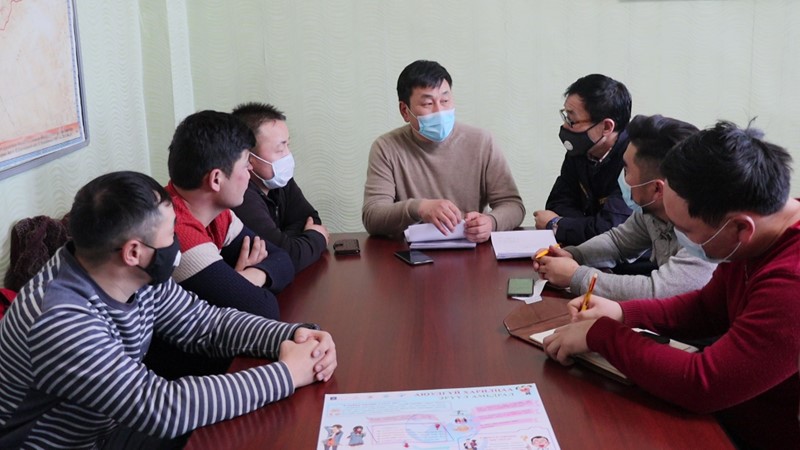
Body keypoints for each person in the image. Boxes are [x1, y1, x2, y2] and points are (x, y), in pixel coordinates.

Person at [0, 171, 337, 449]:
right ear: (134, 252)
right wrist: (288, 374)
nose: (177, 241)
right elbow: (161, 407)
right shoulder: (59, 319)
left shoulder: (135, 274)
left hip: (110, 427)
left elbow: (207, 325)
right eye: (170, 233)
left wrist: (294, 335)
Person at [542, 121, 800, 449]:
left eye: (687, 231)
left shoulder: (791, 282)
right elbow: (706, 308)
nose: (680, 239)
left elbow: (703, 384)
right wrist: (622, 313)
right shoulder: (756, 235)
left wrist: (602, 334)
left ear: (741, 229)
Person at [533, 115, 716, 300]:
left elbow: (656, 291)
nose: (622, 178)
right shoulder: (652, 211)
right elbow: (618, 242)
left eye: (627, 170)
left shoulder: (705, 234)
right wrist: (573, 255)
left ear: (657, 189)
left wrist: (575, 276)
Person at [362, 59, 524, 243]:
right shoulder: (386, 147)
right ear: (405, 111)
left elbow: (514, 206)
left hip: (471, 249)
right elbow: (372, 216)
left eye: (445, 101)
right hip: (408, 253)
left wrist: (491, 222)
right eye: (427, 103)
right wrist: (419, 208)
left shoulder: (482, 142)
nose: (440, 111)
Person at [166, 110, 294, 320]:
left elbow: (283, 260)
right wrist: (245, 283)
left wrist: (244, 279)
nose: (250, 171)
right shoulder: (175, 232)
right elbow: (264, 308)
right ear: (216, 179)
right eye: (245, 165)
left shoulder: (217, 214)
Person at [533, 74, 633, 246]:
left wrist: (557, 225)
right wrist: (588, 225)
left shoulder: (634, 160)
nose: (565, 126)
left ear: (607, 127)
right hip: (586, 253)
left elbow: (611, 231)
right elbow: (557, 203)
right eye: (565, 117)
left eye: (572, 121)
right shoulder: (581, 151)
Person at [231, 102, 330, 273]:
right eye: (279, 149)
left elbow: (310, 219)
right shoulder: (241, 196)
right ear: (248, 158)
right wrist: (316, 237)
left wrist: (286, 241)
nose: (287, 155)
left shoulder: (280, 181)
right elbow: (289, 256)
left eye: (287, 145)